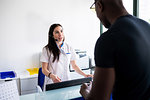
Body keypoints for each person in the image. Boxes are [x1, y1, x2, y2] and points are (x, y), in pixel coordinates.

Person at [80, 0, 150, 100]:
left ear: (99, 5)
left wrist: (86, 92)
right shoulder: (147, 27)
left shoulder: (108, 39)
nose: (97, 16)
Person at [40, 23, 93, 90]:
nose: (60, 34)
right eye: (57, 32)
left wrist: (85, 75)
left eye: (61, 31)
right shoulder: (46, 49)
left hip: (66, 81)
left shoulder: (69, 47)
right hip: (52, 82)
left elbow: (74, 66)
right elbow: (44, 69)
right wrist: (51, 76)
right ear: (52, 35)